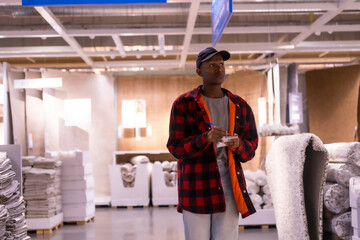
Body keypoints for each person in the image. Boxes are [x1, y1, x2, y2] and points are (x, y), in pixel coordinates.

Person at [166, 47, 259, 240]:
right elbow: (175, 147)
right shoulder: (184, 104)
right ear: (199, 71)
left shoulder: (240, 105)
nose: (218, 69)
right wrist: (205, 138)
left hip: (229, 179)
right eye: (211, 65)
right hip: (196, 182)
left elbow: (251, 150)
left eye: (221, 64)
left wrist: (238, 144)